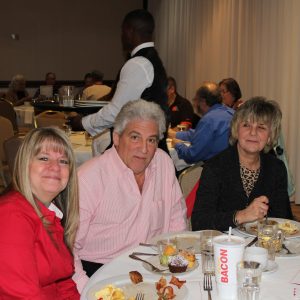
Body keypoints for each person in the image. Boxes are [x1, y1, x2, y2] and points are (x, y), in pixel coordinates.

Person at [73, 100, 187, 292]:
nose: (144, 149)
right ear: (116, 138)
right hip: (100, 271)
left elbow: (177, 221)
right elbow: (68, 247)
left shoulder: (163, 163)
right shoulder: (88, 178)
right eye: (135, 137)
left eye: (151, 140)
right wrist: (87, 289)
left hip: (153, 269)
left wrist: (175, 269)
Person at [191, 97, 293, 231]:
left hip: (263, 247)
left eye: (261, 127)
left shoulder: (276, 168)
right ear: (236, 130)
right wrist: (242, 215)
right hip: (225, 247)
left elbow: (284, 219)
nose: (253, 132)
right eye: (246, 125)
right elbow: (200, 222)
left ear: (270, 136)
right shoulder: (215, 167)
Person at [0, 128, 80, 299]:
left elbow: (63, 281)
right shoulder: (11, 216)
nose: (55, 167)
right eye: (44, 158)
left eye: (63, 161)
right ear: (25, 164)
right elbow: (21, 296)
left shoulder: (50, 215)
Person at [70, 9, 169, 139]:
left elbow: (116, 112)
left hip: (139, 148)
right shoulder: (153, 59)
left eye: (122, 32)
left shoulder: (138, 63)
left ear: (129, 31)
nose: (121, 36)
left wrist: (82, 123)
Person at [168, 81, 234, 164]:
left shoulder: (208, 120)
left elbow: (192, 156)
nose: (194, 104)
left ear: (203, 101)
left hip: (215, 169)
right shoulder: (231, 112)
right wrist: (176, 134)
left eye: (195, 100)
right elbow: (200, 134)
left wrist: (178, 145)